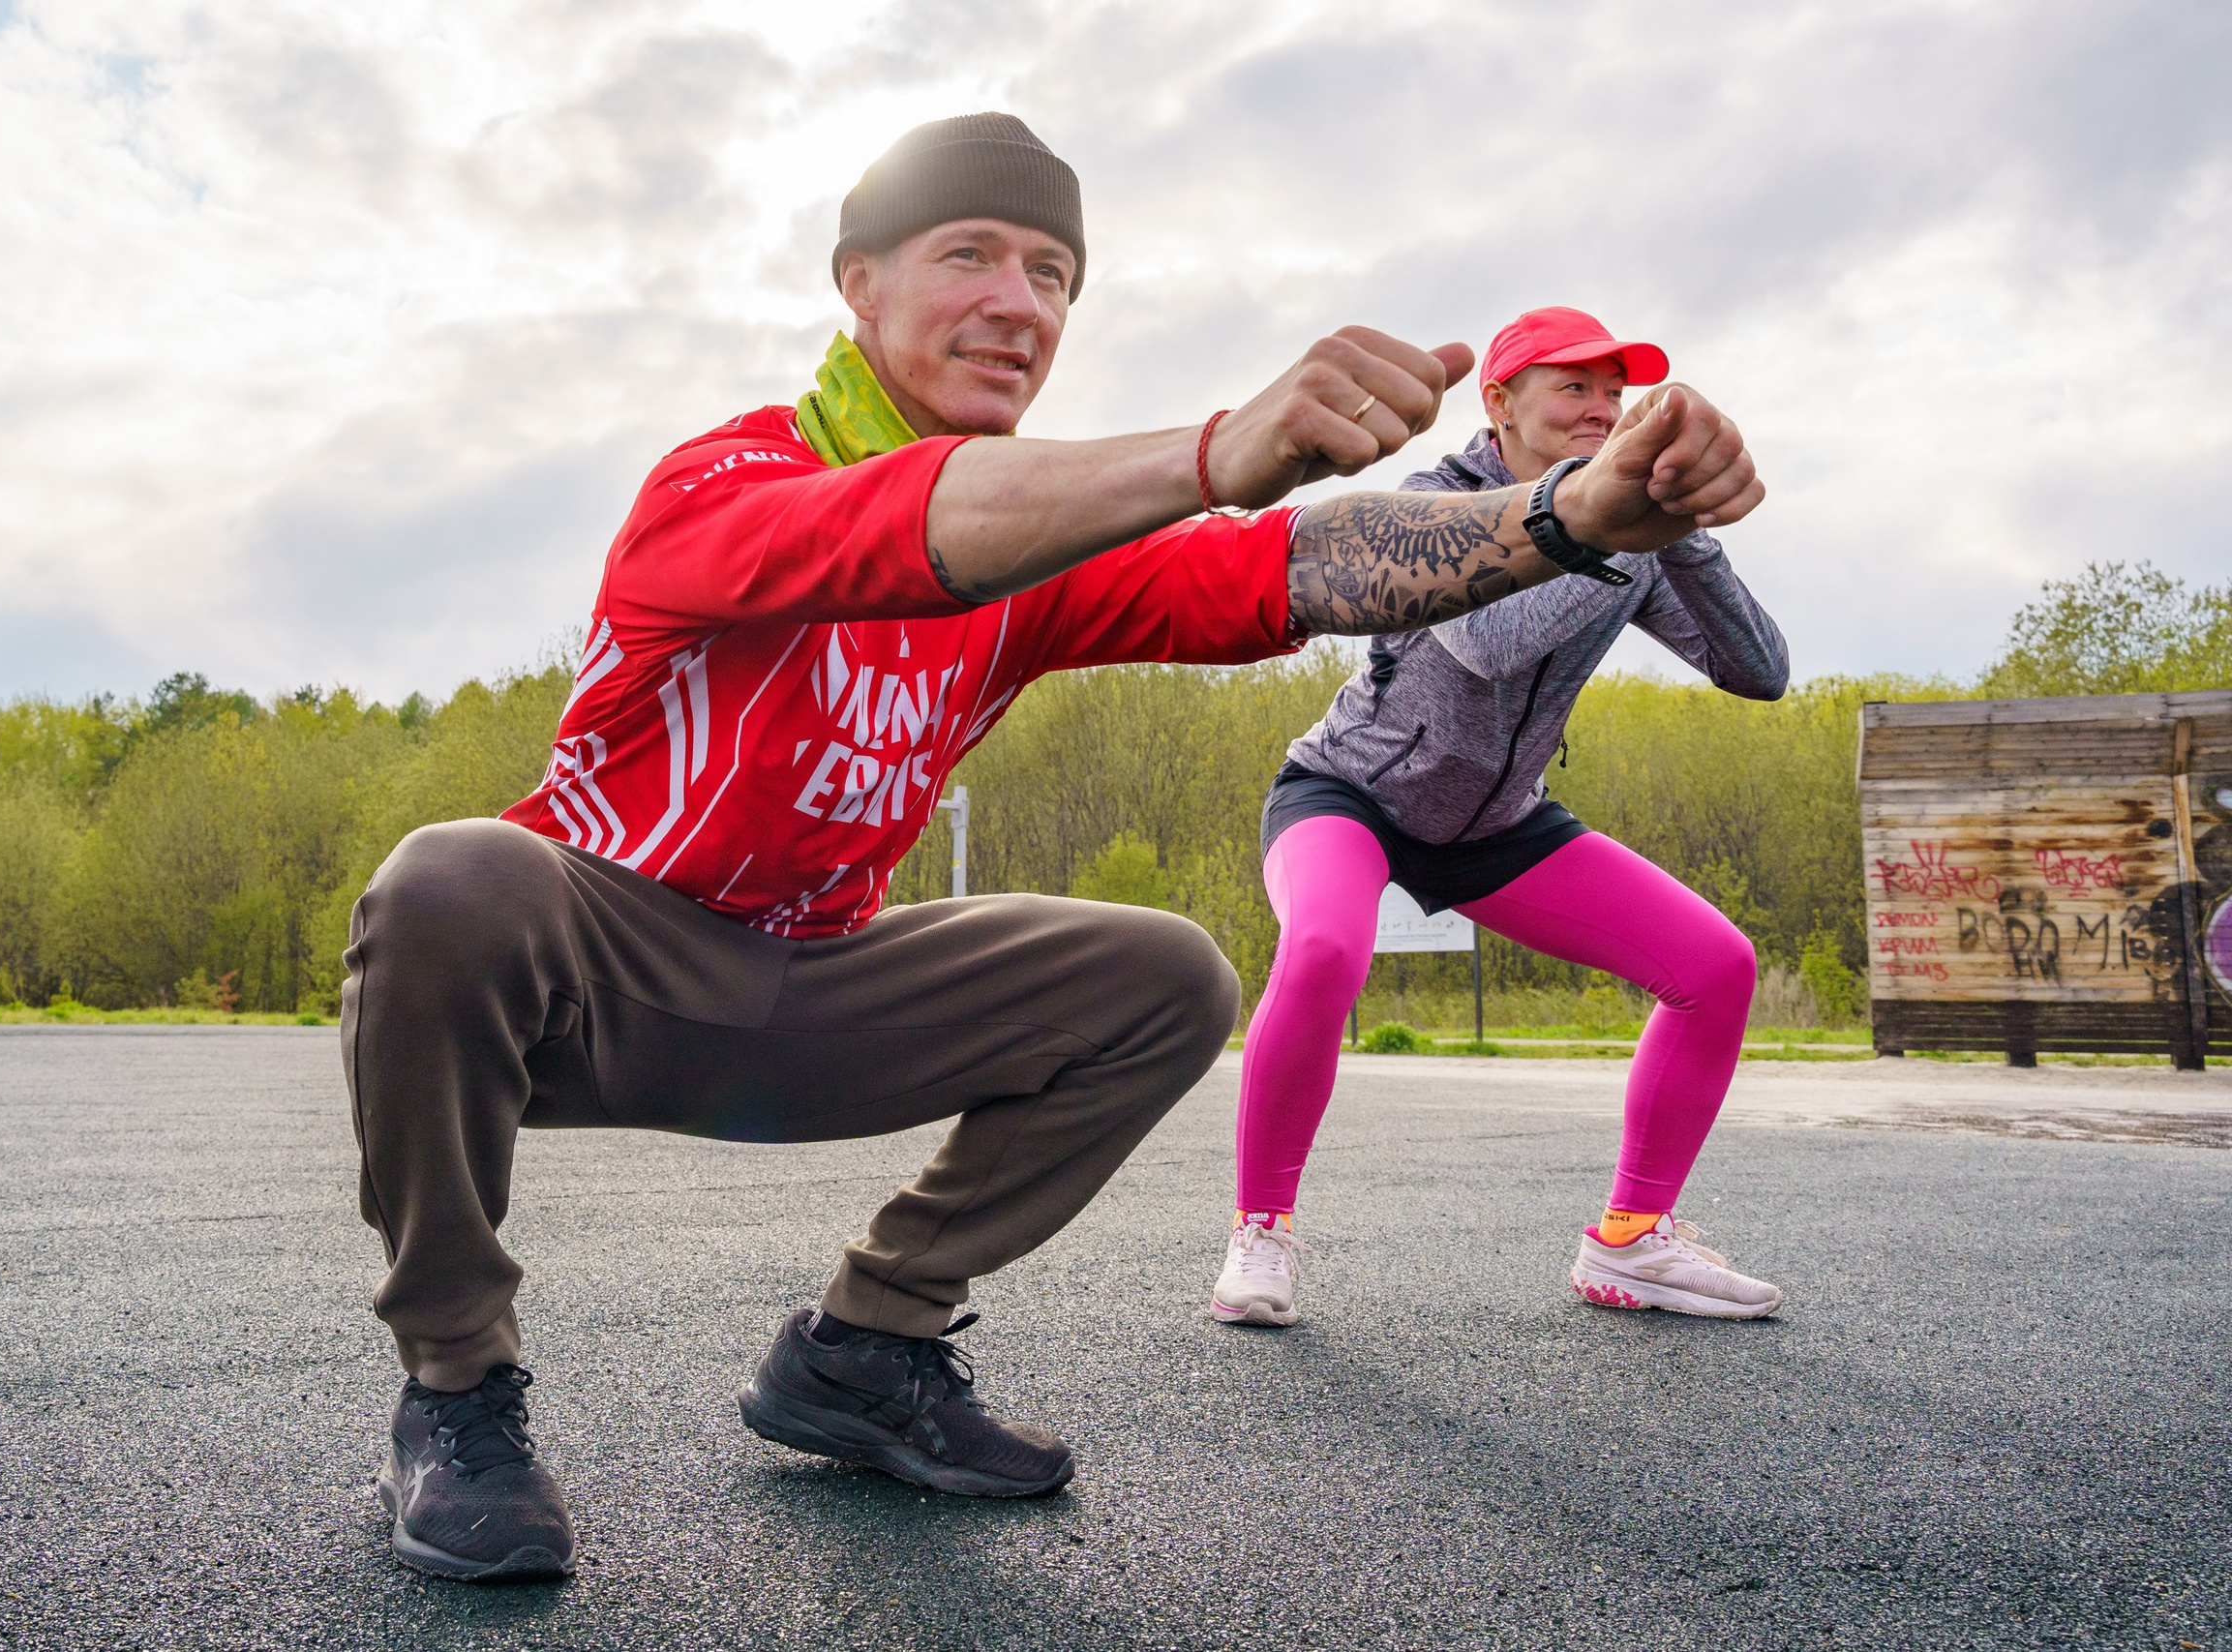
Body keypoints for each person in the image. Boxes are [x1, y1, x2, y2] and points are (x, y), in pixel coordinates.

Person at [343, 124, 1766, 1581]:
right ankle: (456, 1387)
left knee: (1161, 973)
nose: (1019, 302)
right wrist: (1215, 451)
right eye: (968, 254)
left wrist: (1567, 516)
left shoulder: (1041, 557)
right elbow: (901, 524)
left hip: (815, 986)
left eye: (1052, 272)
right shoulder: (721, 481)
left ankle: (865, 1347)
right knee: (450, 878)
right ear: (859, 285)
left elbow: (1287, 568)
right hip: (593, 983)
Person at [1208, 306, 1791, 1332]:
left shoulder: (1637, 532)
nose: (1601, 408)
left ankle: (1632, 1241)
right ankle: (1261, 1231)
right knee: (1324, 948)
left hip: (1495, 824)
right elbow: (1483, 645)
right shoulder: (1433, 501)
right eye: (1572, 387)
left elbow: (1759, 673)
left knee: (1715, 967)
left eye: (1614, 392)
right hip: (1352, 796)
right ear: (1500, 403)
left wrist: (1681, 535)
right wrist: (1605, 533)